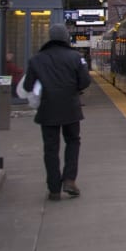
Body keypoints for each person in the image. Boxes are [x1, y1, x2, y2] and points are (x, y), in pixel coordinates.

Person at [24, 24, 91, 201]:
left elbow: (27, 86)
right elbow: (85, 82)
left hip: (47, 110)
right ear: (65, 38)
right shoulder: (76, 57)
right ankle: (69, 180)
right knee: (73, 142)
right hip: (70, 108)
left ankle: (54, 188)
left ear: (50, 37)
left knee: (50, 149)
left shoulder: (36, 59)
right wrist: (71, 88)